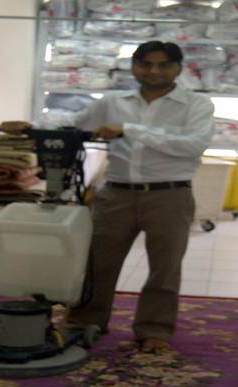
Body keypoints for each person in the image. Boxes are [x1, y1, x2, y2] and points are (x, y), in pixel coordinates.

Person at [66, 41, 215, 353]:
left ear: (178, 68)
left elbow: (193, 145)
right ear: (134, 66)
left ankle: (154, 330)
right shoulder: (112, 102)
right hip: (116, 194)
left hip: (170, 195)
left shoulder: (196, 105)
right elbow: (74, 124)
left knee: (165, 268)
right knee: (97, 264)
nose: (154, 71)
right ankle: (84, 323)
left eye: (163, 64)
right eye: (146, 64)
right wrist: (29, 126)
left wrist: (130, 130)